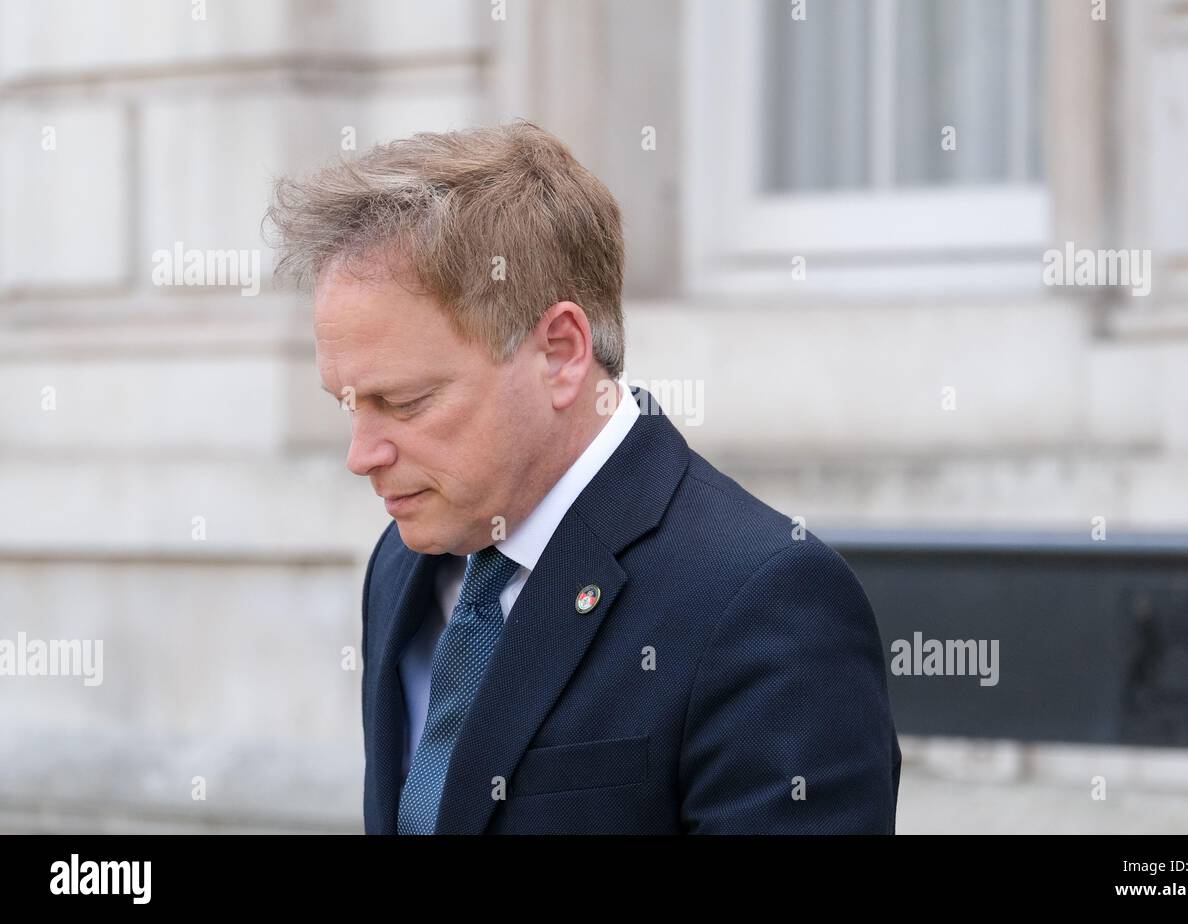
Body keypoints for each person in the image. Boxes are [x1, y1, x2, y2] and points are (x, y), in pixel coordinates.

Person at [266, 119, 901, 833]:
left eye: (405, 402)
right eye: (348, 405)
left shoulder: (766, 603)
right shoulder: (405, 563)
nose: (362, 454)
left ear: (562, 353)